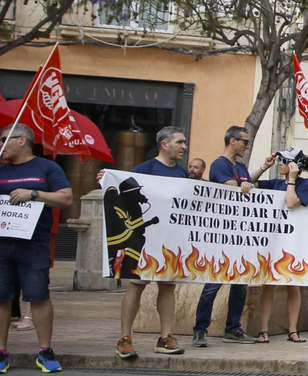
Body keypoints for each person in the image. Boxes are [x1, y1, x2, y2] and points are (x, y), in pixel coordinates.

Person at [0, 124, 72, 374]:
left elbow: (65, 198)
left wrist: (34, 194)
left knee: (38, 296)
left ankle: (45, 351)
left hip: (34, 243)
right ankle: (0, 353)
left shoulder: (47, 167)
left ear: (22, 141)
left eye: (4, 140)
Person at [104, 126, 189, 360]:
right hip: (144, 242)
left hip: (170, 242)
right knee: (137, 285)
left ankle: (165, 337)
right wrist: (107, 180)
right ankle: (124, 338)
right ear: (164, 144)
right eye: (179, 142)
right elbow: (124, 197)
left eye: (184, 142)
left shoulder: (182, 174)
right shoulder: (144, 170)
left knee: (168, 287)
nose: (184, 147)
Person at [193, 126, 254, 347]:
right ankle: (200, 330)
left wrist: (260, 171)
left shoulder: (240, 167)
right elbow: (231, 187)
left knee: (240, 283)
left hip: (239, 231)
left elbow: (248, 183)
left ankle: (233, 328)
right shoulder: (220, 165)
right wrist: (244, 185)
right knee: (213, 283)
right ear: (232, 141)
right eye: (244, 142)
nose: (246, 146)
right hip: (222, 233)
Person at [253, 152, 308, 343]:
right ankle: (263, 330)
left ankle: (292, 329)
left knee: (293, 286)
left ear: (297, 165)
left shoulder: (304, 185)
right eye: (281, 160)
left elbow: (291, 203)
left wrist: (292, 180)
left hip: (293, 242)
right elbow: (250, 182)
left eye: (286, 161)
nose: (281, 163)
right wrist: (264, 166)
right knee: (268, 285)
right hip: (274, 240)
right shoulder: (274, 182)